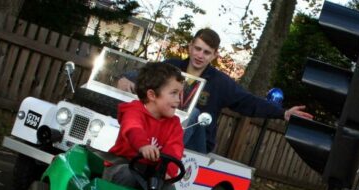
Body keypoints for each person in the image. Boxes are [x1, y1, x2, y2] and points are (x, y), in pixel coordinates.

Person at [117, 28, 313, 154]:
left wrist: (282, 112)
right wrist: (127, 78)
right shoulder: (170, 67)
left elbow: (249, 102)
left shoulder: (220, 83)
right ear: (190, 46)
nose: (200, 56)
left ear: (215, 55)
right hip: (158, 135)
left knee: (193, 114)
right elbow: (145, 75)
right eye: (198, 49)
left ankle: (163, 158)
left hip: (195, 142)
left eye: (207, 52)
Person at [104, 62, 185, 190]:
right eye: (173, 94)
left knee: (167, 188)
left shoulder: (175, 124)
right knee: (128, 175)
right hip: (123, 164)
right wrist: (143, 145)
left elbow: (174, 149)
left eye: (179, 94)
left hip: (153, 173)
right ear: (152, 95)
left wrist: (168, 172)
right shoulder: (133, 110)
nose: (178, 100)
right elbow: (133, 128)